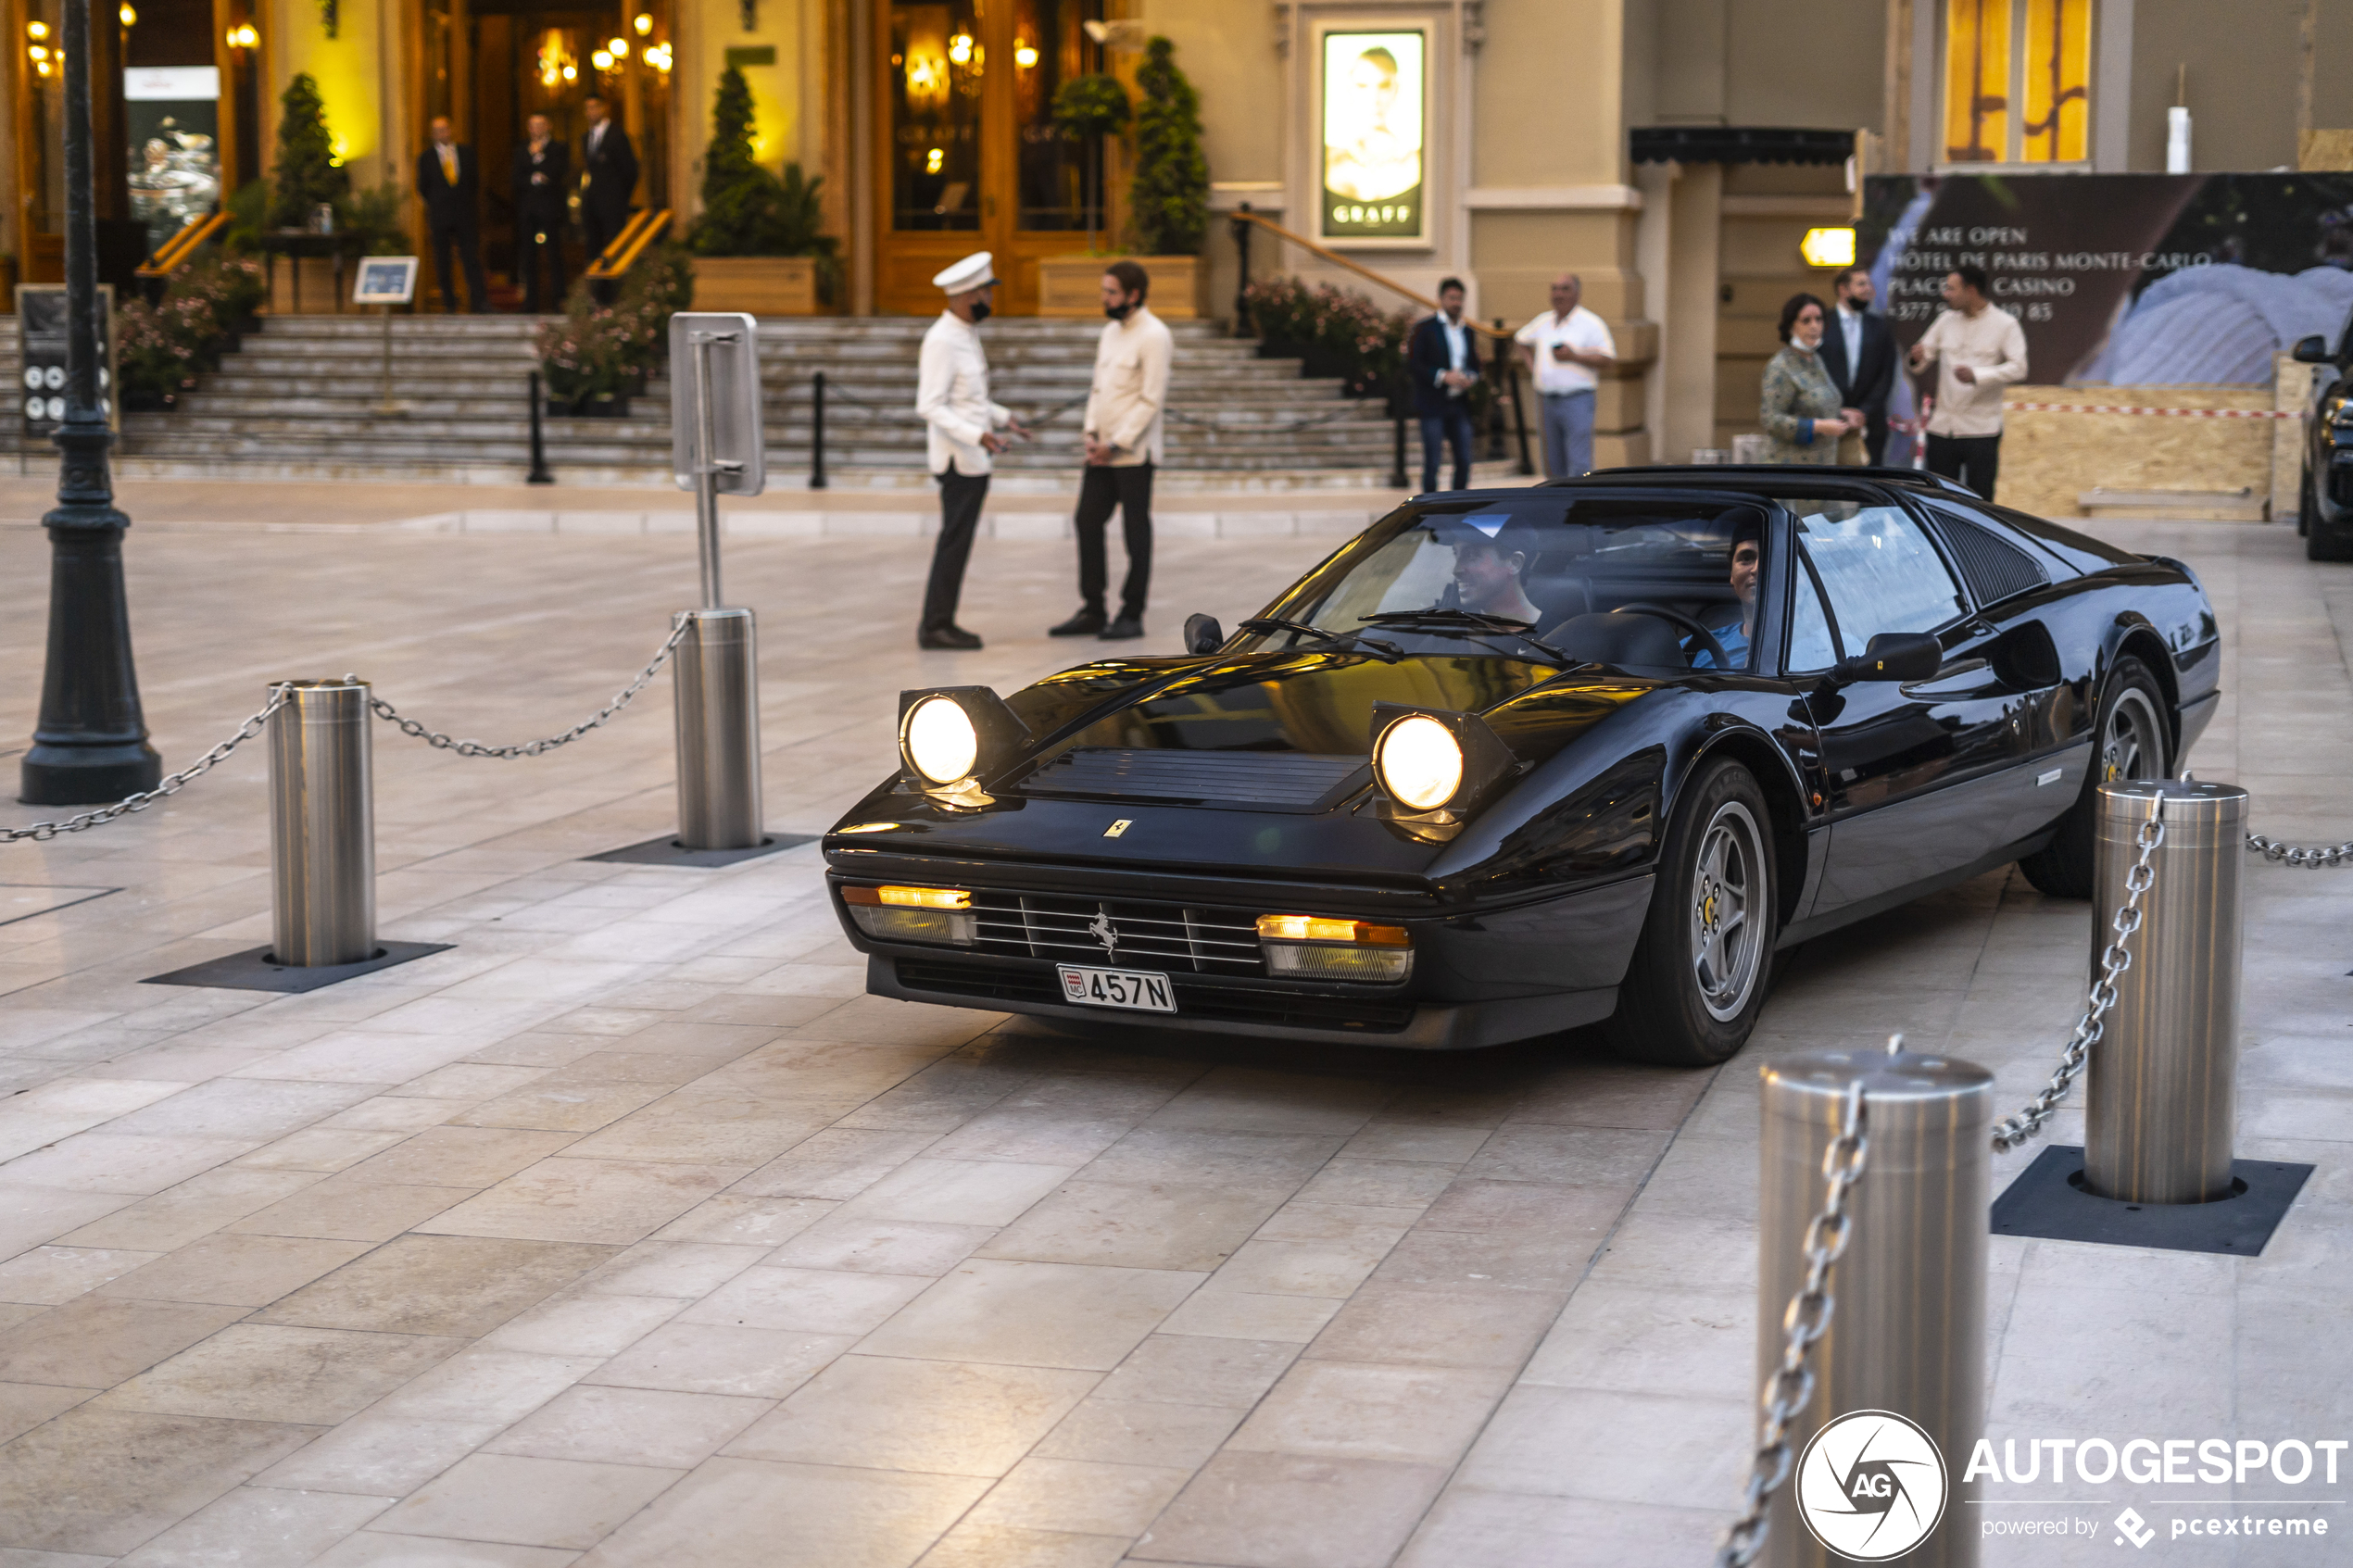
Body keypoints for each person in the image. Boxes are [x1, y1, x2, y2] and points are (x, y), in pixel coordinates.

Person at [1051, 260, 1173, 642]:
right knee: (1087, 520)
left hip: (1132, 454)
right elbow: (1098, 389)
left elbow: (1151, 399)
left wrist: (1116, 443)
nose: (1104, 299)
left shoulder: (1155, 335)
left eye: (1111, 292)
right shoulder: (1109, 333)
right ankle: (1093, 608)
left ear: (1133, 295)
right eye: (1104, 291)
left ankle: (1131, 613)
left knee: (1135, 533)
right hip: (1101, 453)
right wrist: (1090, 434)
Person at [914, 252, 1030, 650]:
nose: (991, 300)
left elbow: (969, 399)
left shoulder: (965, 333)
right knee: (954, 542)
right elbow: (929, 404)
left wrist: (1002, 418)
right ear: (969, 296)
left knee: (958, 543)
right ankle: (935, 625)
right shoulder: (942, 340)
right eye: (986, 292)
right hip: (958, 460)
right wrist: (977, 435)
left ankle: (942, 620)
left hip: (972, 457)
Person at [1906, 263, 2028, 499]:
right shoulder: (1945, 320)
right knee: (1938, 500)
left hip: (1981, 430)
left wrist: (1978, 375)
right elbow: (1921, 358)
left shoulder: (2005, 324)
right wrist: (1914, 358)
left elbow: (2020, 368)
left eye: (1951, 289)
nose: (1945, 294)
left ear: (1971, 290)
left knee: (1980, 501)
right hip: (1942, 428)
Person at [1514, 273, 1616, 479]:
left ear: (1577, 293)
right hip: (1547, 399)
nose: (1558, 294)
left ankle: (1581, 504)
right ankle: (1555, 507)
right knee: (1552, 462)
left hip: (1577, 398)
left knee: (1579, 462)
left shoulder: (1590, 323)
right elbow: (1520, 340)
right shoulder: (1544, 321)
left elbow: (1607, 359)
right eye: (1554, 289)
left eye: (1564, 289)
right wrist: (1534, 368)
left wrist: (1574, 356)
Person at [1760, 294, 1859, 467]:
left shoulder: (1816, 360)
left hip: (1822, 466)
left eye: (1819, 319)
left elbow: (1813, 406)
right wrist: (1817, 426)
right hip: (1791, 470)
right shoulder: (1781, 366)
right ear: (1791, 327)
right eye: (1806, 321)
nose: (1814, 326)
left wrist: (1841, 414)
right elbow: (1771, 419)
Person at [1818, 266, 1896, 465]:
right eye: (1861, 284)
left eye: (1869, 284)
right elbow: (1816, 373)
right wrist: (1839, 410)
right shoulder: (1821, 324)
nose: (1868, 289)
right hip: (1829, 422)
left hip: (1871, 424)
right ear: (1843, 289)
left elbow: (1886, 374)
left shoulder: (1879, 326)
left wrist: (1864, 412)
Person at [1408, 278, 1479, 492]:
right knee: (1433, 460)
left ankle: (1458, 504)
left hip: (1459, 403)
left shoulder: (1467, 331)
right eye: (1452, 298)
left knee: (1464, 459)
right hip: (1433, 403)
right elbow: (1414, 363)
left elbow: (1475, 365)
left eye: (1459, 298)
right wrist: (1442, 376)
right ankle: (1430, 506)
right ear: (1441, 299)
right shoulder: (1425, 329)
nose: (1456, 303)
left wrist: (1470, 378)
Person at [415, 117, 489, 314]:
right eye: (437, 130)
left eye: (445, 129)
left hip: (464, 214)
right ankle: (449, 304)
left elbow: (474, 182)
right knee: (442, 260)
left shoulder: (466, 153)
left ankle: (479, 302)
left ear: (452, 130)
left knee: (471, 258)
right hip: (440, 216)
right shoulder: (426, 158)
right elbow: (423, 187)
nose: (442, 133)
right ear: (432, 134)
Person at [511, 113, 571, 314]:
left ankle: (558, 299)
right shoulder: (521, 150)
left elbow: (558, 171)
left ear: (548, 126)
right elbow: (516, 177)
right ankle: (531, 302)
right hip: (528, 210)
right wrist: (534, 174)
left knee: (554, 255)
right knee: (529, 256)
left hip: (550, 208)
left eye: (540, 125)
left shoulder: (558, 148)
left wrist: (539, 159)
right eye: (532, 125)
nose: (536, 129)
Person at [1687, 516, 1762, 671]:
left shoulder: (1820, 649)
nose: (1756, 569)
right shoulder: (1697, 647)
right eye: (1746, 558)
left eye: (1769, 559)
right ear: (1732, 575)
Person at [578, 96, 639, 265]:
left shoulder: (617, 135)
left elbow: (630, 170)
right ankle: (596, 287)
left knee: (616, 244)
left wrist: (619, 197)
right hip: (592, 202)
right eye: (587, 108)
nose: (591, 112)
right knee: (593, 248)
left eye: (595, 107)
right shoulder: (586, 138)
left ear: (603, 108)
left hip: (613, 202)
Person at [1450, 529, 1541, 624]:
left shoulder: (1553, 634)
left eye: (1470, 555)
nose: (1456, 571)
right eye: (1455, 554)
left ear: (1514, 563)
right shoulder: (1448, 633)